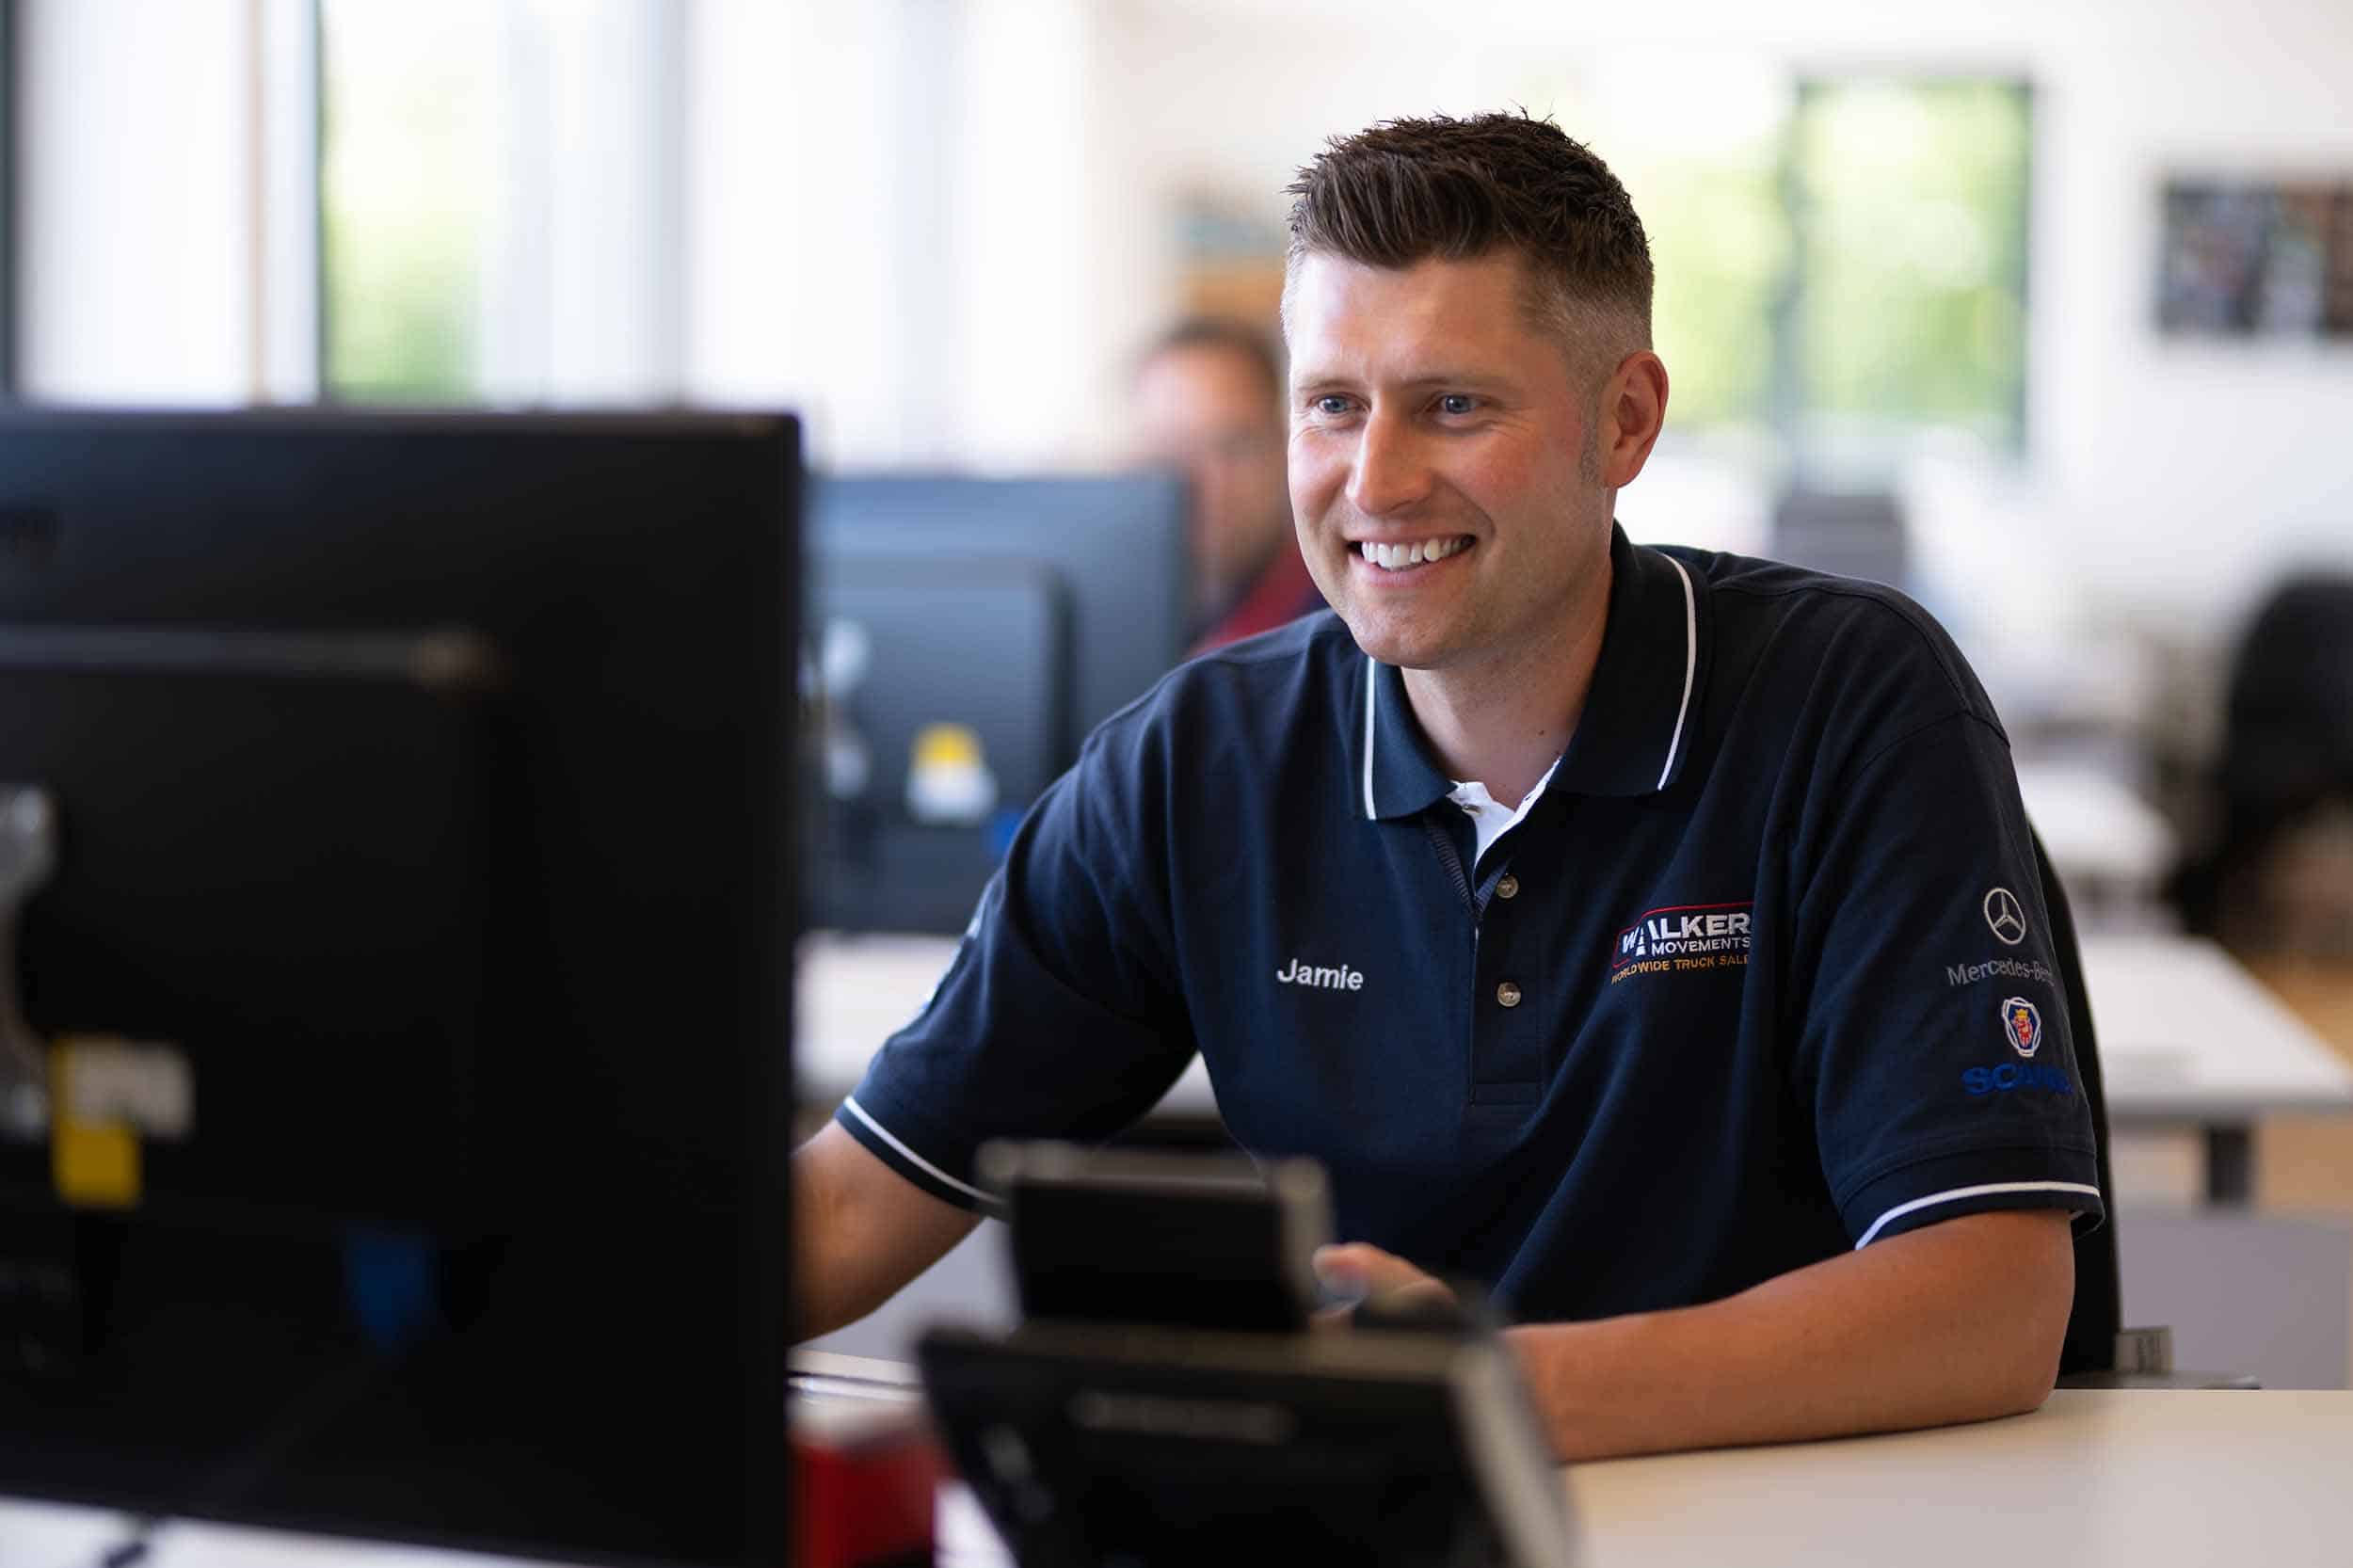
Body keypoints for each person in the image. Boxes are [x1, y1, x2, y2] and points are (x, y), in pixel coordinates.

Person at [794, 112, 2100, 1463]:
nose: (1375, 483)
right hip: (1390, 1517)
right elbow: (846, 1209)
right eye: (1333, 404)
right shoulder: (1196, 763)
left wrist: (1473, 1389)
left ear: (1626, 420)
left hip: (1806, 1520)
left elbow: (1991, 1300)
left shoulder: (1849, 697)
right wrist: (587, 1333)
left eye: (1454, 405)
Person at [1131, 317, 1327, 650]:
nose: (1208, 484)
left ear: (1286, 447)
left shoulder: (1335, 629)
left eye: (1235, 448)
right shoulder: (1115, 628)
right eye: (1172, 453)